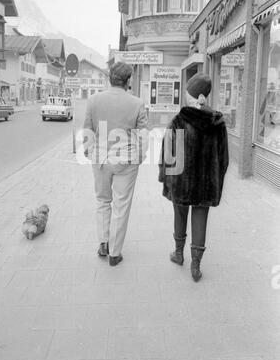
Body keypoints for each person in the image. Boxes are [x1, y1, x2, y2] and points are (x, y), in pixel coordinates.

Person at [159, 73, 229, 282]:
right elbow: (224, 159)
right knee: (201, 217)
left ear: (191, 95)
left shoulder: (179, 120)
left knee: (180, 214)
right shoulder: (217, 121)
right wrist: (216, 179)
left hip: (181, 181)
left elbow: (168, 155)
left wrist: (167, 180)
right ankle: (196, 267)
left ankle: (179, 254)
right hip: (205, 184)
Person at [83, 62, 149, 267]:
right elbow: (142, 136)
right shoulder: (137, 103)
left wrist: (89, 152)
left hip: (101, 159)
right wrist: (140, 156)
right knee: (122, 205)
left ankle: (103, 243)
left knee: (103, 201)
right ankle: (115, 253)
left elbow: (88, 129)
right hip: (126, 161)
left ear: (110, 79)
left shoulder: (93, 100)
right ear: (128, 81)